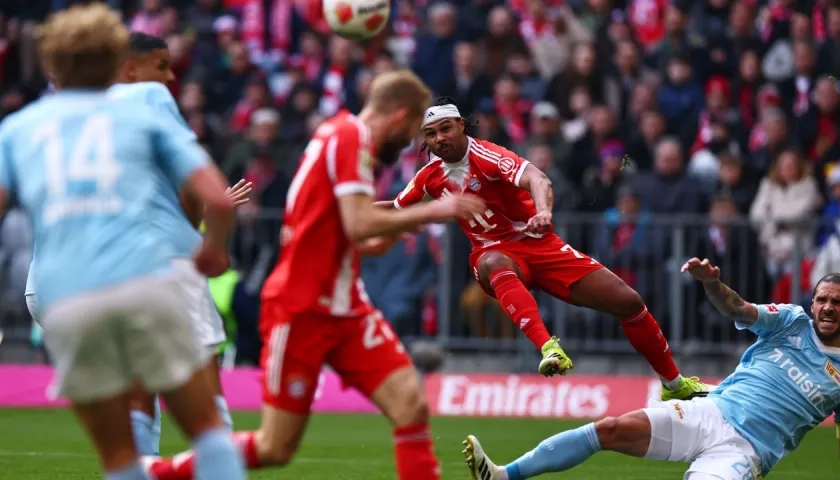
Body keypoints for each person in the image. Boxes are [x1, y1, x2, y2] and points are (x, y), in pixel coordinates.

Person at [142, 70, 486, 480]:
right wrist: (435, 209)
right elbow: (359, 224)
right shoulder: (350, 137)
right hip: (301, 308)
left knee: (410, 405)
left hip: (347, 307)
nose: (414, 141)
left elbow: (356, 236)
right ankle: (155, 473)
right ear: (401, 114)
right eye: (415, 129)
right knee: (275, 446)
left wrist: (395, 228)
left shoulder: (341, 136)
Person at [0, 5, 245, 480]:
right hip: (142, 279)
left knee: (119, 457)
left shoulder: (17, 129)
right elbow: (215, 197)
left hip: (62, 295)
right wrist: (213, 248)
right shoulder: (145, 109)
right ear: (116, 57)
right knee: (209, 432)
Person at [382, 97, 710, 400]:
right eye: (431, 133)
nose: (439, 138)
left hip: (541, 246)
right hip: (491, 255)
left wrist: (542, 211)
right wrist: (350, 211)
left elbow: (538, 179)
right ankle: (549, 347)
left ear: (461, 127)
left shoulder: (488, 155)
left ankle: (673, 384)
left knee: (629, 302)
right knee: (495, 259)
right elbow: (395, 210)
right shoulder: (428, 177)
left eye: (445, 128)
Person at [462, 257, 840, 480]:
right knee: (609, 429)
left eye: (835, 302)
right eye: (821, 299)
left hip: (747, 450)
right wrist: (713, 284)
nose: (826, 307)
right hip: (711, 412)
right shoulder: (792, 322)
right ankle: (505, 475)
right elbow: (738, 309)